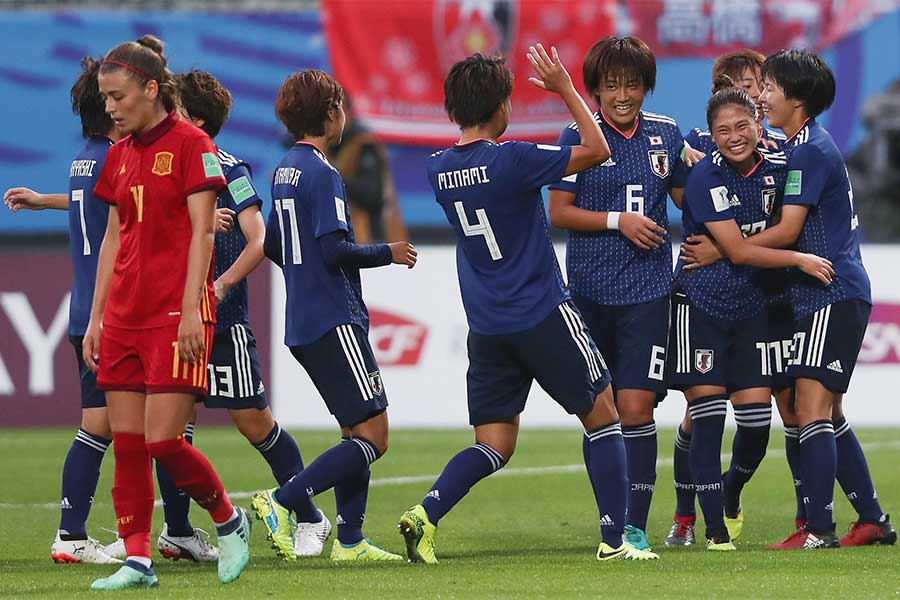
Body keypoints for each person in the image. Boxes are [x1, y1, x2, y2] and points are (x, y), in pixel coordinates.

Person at [398, 46, 658, 564]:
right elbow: (598, 148)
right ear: (501, 107)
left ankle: (426, 513)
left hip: (488, 326)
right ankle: (614, 541)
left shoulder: (437, 169)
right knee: (604, 417)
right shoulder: (512, 158)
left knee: (493, 443)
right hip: (542, 311)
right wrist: (565, 88)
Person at [682, 49, 896, 549]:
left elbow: (790, 229)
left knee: (810, 408)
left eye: (771, 86)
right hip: (824, 293)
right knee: (828, 412)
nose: (762, 94)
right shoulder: (805, 146)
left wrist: (727, 249)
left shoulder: (808, 151)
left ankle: (818, 530)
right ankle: (871, 519)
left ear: (796, 99)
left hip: (828, 290)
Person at [83, 36, 250, 589]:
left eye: (117, 96)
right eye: (105, 98)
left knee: (162, 442)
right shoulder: (120, 153)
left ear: (151, 89)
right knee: (127, 444)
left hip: (175, 313)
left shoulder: (191, 142)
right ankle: (137, 559)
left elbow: (203, 231)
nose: (110, 107)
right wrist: (96, 317)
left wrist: (191, 311)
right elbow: (113, 238)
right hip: (125, 314)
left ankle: (228, 519)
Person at [251, 69, 416, 563]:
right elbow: (335, 250)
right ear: (329, 114)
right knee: (374, 435)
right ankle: (282, 502)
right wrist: (390, 251)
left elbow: (276, 245)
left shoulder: (284, 169)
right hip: (334, 318)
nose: (345, 115)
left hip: (302, 318)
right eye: (341, 106)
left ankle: (350, 541)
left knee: (353, 432)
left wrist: (304, 278)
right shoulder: (324, 173)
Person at [170, 69, 330, 558]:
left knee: (254, 423)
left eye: (174, 109)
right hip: (176, 321)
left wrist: (221, 285)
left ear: (195, 119)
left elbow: (259, 238)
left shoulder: (229, 171)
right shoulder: (163, 169)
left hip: (224, 320)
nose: (165, 117)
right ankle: (177, 532)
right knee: (171, 428)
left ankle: (309, 516)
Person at [669, 85, 834, 551]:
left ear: (759, 125)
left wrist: (720, 250)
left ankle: (730, 491)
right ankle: (714, 534)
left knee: (757, 425)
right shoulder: (706, 177)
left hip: (753, 311)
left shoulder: (781, 168)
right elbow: (742, 251)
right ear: (712, 136)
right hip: (700, 308)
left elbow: (755, 239)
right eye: (723, 130)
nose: (734, 136)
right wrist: (798, 260)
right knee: (706, 419)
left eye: (742, 125)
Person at [547, 36, 686, 551]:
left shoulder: (665, 134)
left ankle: (634, 527)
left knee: (637, 408)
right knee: (600, 411)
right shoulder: (578, 134)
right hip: (587, 293)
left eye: (631, 83)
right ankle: (611, 521)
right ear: (596, 88)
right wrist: (617, 221)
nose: (622, 94)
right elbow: (558, 212)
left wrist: (703, 164)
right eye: (611, 84)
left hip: (649, 292)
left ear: (645, 85)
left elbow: (685, 198)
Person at [3, 57, 124, 566]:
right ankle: (153, 534)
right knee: (136, 426)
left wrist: (39, 200)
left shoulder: (85, 159)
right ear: (111, 110)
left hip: (85, 312)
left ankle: (79, 534)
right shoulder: (116, 160)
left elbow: (87, 201)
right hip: (111, 311)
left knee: (101, 424)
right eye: (116, 98)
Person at [328, 95, 408, 244]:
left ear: (348, 112)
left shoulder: (363, 144)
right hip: (342, 241)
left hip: (371, 239)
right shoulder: (329, 146)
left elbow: (371, 196)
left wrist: (331, 175)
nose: (330, 121)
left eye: (335, 113)